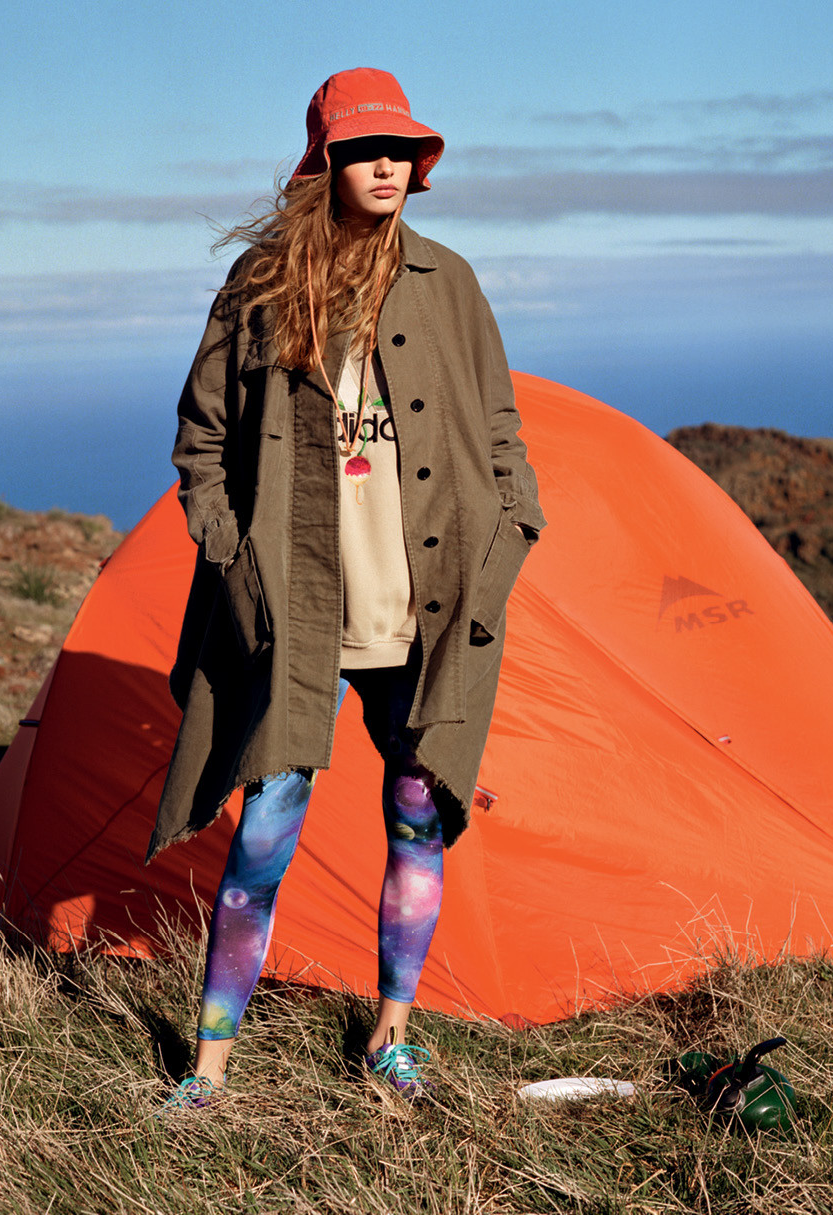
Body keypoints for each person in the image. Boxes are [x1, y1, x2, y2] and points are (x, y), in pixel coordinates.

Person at [150, 67, 545, 1108]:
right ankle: (207, 1071)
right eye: (365, 149)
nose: (386, 166)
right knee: (263, 836)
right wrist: (230, 550)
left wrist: (512, 532)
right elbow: (201, 438)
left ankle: (391, 1040)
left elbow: (500, 431)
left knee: (419, 818)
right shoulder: (261, 283)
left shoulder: (450, 282)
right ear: (324, 161)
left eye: (401, 150)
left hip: (426, 609)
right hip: (298, 609)